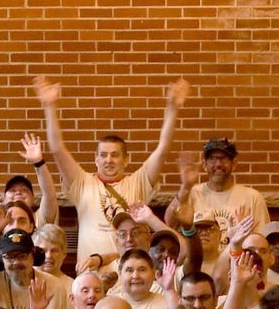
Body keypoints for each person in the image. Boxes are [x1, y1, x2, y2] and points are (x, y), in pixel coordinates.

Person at [34, 75, 190, 267]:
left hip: (130, 274)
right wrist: (50, 107)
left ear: (126, 160)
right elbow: (57, 149)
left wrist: (173, 108)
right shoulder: (83, 183)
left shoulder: (138, 182)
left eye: (115, 155)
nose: (109, 160)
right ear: (96, 159)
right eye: (104, 155)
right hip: (90, 278)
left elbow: (163, 149)